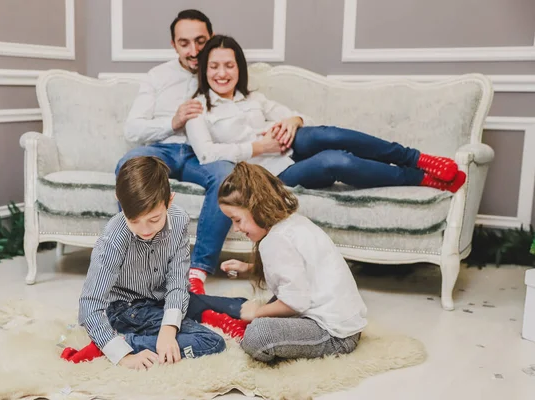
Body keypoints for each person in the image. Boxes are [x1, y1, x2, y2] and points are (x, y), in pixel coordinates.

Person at [185, 35, 467, 193]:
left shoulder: (254, 98)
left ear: (239, 68)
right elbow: (207, 155)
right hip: (272, 175)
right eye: (214, 67)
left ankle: (417, 158)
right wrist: (259, 146)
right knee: (336, 159)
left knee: (327, 134)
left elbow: (299, 116)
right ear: (205, 70)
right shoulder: (197, 108)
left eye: (229, 66)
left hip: (288, 150)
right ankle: (418, 178)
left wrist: (293, 121)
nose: (222, 74)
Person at [62, 157, 249, 368]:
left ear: (169, 201)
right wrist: (123, 355)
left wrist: (168, 329)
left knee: (239, 305)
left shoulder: (179, 220)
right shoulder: (113, 238)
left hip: (161, 297)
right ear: (119, 201)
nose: (144, 230)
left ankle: (208, 315)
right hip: (127, 309)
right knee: (210, 342)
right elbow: (90, 305)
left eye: (154, 219)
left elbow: (178, 282)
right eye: (134, 221)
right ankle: (120, 343)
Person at [117, 10, 231, 295]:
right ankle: (142, 262)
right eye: (184, 43)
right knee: (128, 164)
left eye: (200, 41)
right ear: (173, 44)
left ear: (212, 37)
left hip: (200, 154)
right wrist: (174, 121)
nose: (193, 51)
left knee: (229, 175)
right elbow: (132, 129)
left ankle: (197, 272)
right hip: (161, 149)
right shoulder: (158, 76)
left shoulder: (222, 69)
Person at [218, 162, 367, 362]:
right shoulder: (293, 223)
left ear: (257, 209)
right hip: (346, 323)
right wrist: (248, 269)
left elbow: (295, 303)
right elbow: (296, 271)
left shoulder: (275, 241)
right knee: (270, 309)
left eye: (237, 220)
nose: (235, 229)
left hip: (333, 335)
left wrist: (258, 312)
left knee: (258, 334)